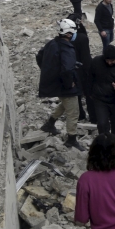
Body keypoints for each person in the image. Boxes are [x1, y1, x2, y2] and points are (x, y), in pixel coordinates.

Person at [37, 19, 86, 151]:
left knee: (65, 104)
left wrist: (50, 71)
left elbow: (40, 56)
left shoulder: (52, 43)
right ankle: (71, 139)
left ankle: (50, 123)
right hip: (66, 85)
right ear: (69, 34)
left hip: (57, 83)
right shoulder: (67, 48)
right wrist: (69, 83)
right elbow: (67, 69)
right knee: (73, 111)